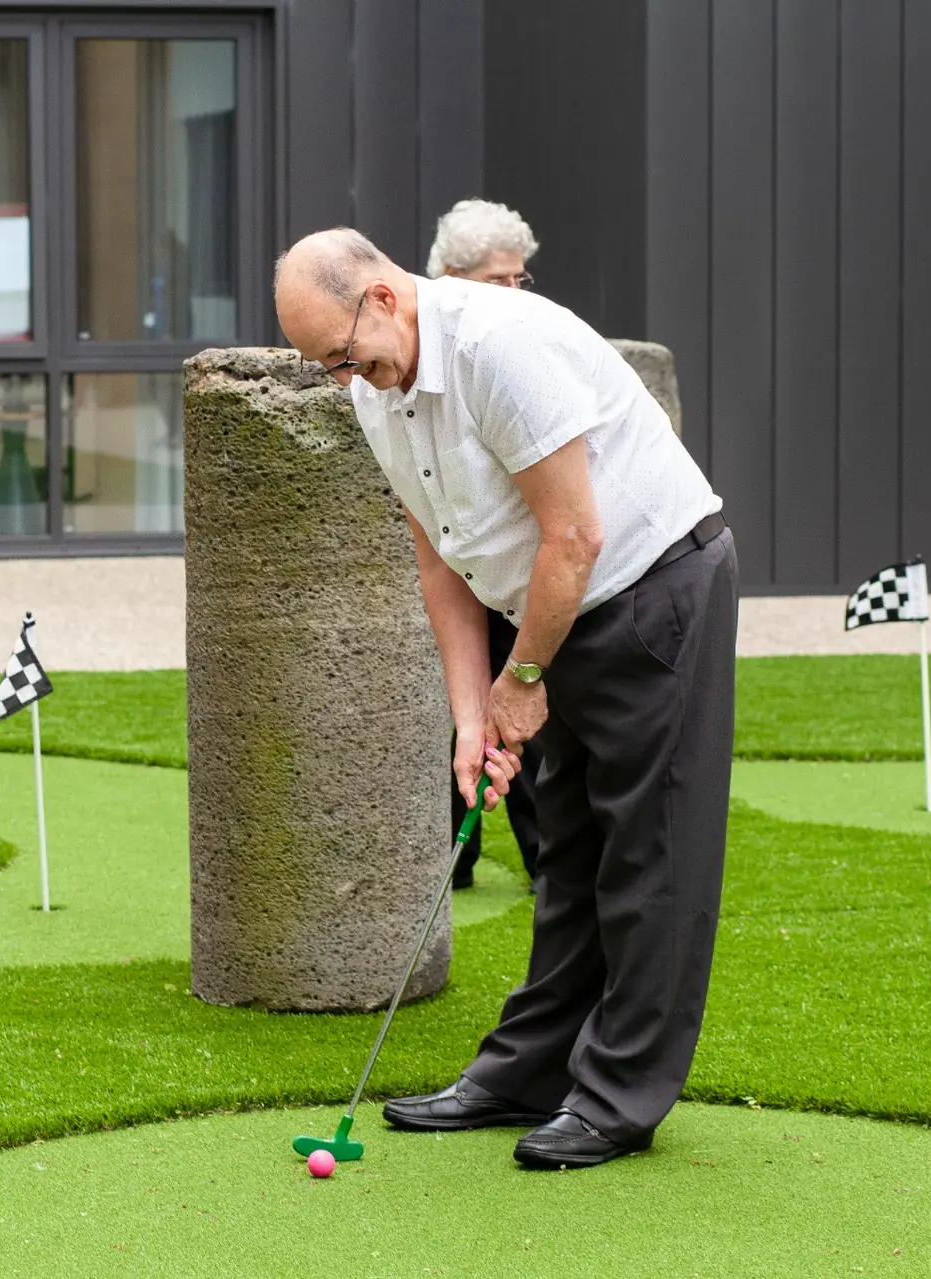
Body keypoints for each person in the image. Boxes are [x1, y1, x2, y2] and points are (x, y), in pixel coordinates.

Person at [274, 228, 736, 1170]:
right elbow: (439, 558)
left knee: (648, 848)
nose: (343, 379)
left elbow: (575, 534)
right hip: (550, 608)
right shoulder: (376, 389)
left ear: (384, 299)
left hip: (651, 585)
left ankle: (620, 1095)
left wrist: (522, 682)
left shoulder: (496, 348)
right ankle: (528, 1070)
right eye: (325, 366)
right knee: (564, 842)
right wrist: (470, 711)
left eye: (342, 355)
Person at [425, 199, 545, 889]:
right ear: (450, 276)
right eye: (496, 280)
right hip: (469, 566)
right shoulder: (438, 355)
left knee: (523, 712)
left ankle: (542, 859)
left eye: (519, 279)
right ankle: (454, 858)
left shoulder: (525, 348)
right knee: (474, 713)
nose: (513, 294)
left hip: (532, 570)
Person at [426, 197, 539, 289]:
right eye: (499, 279)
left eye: (518, 278)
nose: (515, 291)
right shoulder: (417, 316)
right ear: (453, 277)